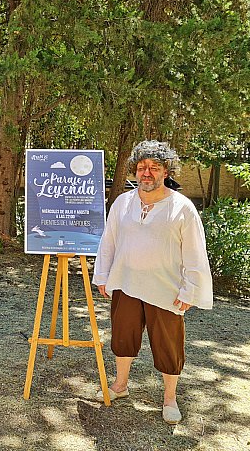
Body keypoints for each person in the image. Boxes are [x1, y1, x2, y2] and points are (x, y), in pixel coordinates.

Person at [92, 140, 212, 424]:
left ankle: (169, 398)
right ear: (135, 170)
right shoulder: (123, 202)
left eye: (154, 168)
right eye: (142, 167)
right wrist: (103, 274)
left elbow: (194, 252)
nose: (146, 173)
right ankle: (120, 386)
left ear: (166, 171)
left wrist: (190, 289)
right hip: (126, 283)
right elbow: (108, 242)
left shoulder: (182, 207)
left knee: (168, 345)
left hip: (166, 290)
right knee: (123, 338)